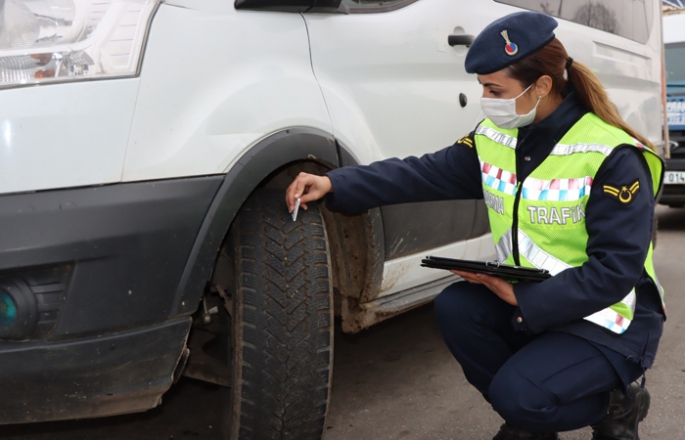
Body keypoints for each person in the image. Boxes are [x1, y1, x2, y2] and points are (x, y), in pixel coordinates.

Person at [284, 11, 665, 440]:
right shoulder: (496, 137)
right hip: (539, 298)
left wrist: (522, 296)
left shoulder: (612, 154)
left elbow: (616, 272)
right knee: (457, 307)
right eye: (483, 87)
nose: (485, 99)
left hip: (608, 318)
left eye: (494, 89)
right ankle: (531, 419)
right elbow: (420, 173)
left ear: (541, 86)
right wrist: (335, 182)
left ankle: (616, 403)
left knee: (519, 395)